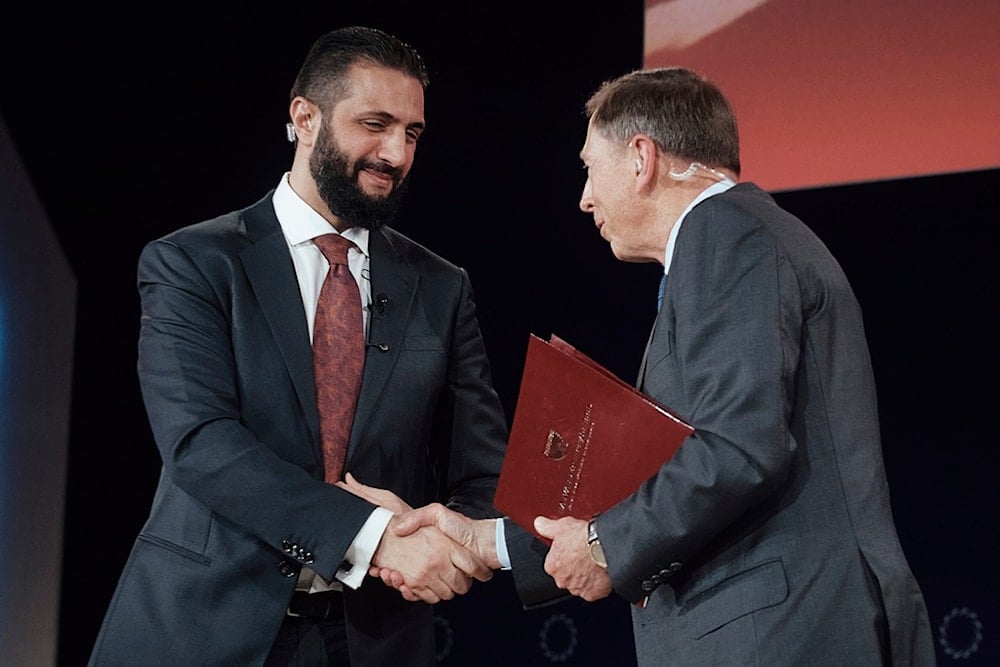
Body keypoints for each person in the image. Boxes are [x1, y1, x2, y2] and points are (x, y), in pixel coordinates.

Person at [364, 66, 937, 665]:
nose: (584, 198)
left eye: (590, 168)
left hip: (782, 633)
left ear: (641, 158)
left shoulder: (727, 234)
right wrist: (486, 540)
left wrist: (603, 546)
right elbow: (668, 469)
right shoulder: (735, 240)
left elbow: (739, 446)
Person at [88, 26, 511, 667]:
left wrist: (455, 540)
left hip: (372, 641)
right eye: (375, 124)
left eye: (413, 133)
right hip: (202, 627)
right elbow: (201, 443)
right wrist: (374, 537)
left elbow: (481, 472)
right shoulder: (194, 263)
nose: (396, 153)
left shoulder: (441, 288)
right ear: (305, 118)